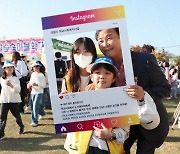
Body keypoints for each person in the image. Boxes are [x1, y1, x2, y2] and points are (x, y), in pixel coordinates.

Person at [95, 28, 170, 154]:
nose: (105, 44)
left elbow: (165, 88)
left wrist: (144, 94)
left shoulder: (144, 60)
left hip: (148, 118)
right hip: (122, 124)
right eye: (100, 41)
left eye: (109, 38)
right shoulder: (104, 65)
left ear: (121, 38)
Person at [62, 37, 97, 151]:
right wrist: (62, 102)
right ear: (73, 55)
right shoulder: (68, 79)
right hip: (76, 134)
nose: (82, 55)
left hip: (97, 134)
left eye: (86, 51)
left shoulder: (102, 76)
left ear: (93, 53)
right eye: (77, 52)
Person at [0, 61, 24, 141]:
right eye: (8, 68)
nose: (10, 69)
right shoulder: (2, 79)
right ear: (5, 69)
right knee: (3, 117)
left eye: (11, 68)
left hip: (13, 100)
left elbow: (18, 90)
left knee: (16, 116)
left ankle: (21, 126)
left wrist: (11, 85)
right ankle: (1, 134)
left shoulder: (16, 78)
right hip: (4, 100)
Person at [27, 61, 46, 127]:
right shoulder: (33, 74)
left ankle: (34, 121)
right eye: (34, 66)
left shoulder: (41, 75)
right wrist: (29, 85)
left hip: (39, 92)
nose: (35, 68)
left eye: (37, 66)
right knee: (33, 106)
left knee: (35, 105)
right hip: (33, 92)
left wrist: (37, 84)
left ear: (39, 67)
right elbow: (30, 82)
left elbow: (43, 85)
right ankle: (42, 113)